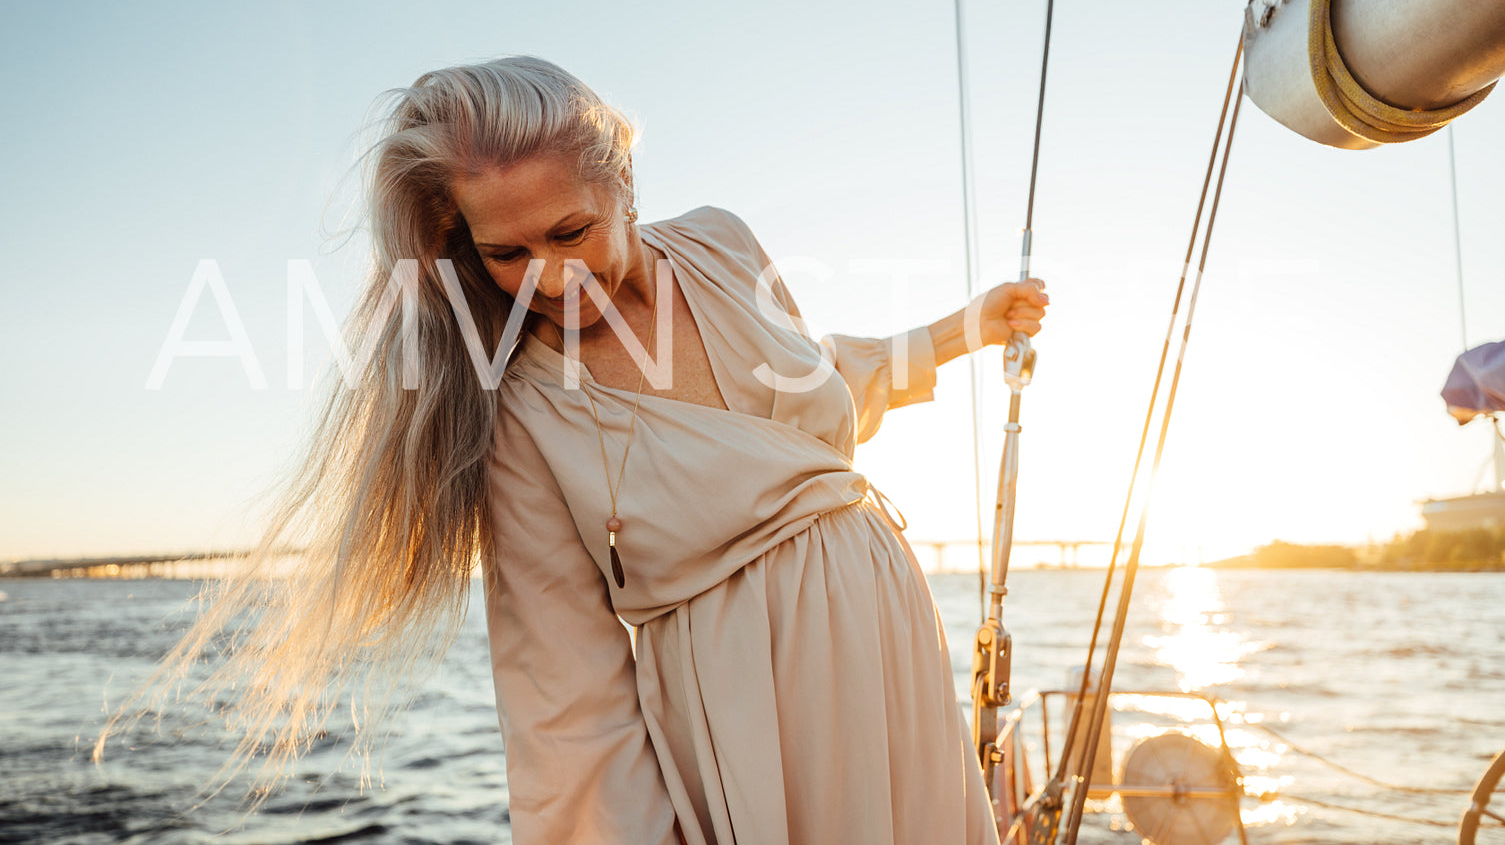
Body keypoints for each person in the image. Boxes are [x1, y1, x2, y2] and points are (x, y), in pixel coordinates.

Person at [92, 55, 1047, 845]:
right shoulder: (515, 414)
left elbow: (803, 384)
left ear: (624, 183)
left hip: (891, 647)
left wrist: (963, 327)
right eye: (507, 254)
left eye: (571, 230)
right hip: (753, 712)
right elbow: (564, 696)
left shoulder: (722, 243)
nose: (550, 277)